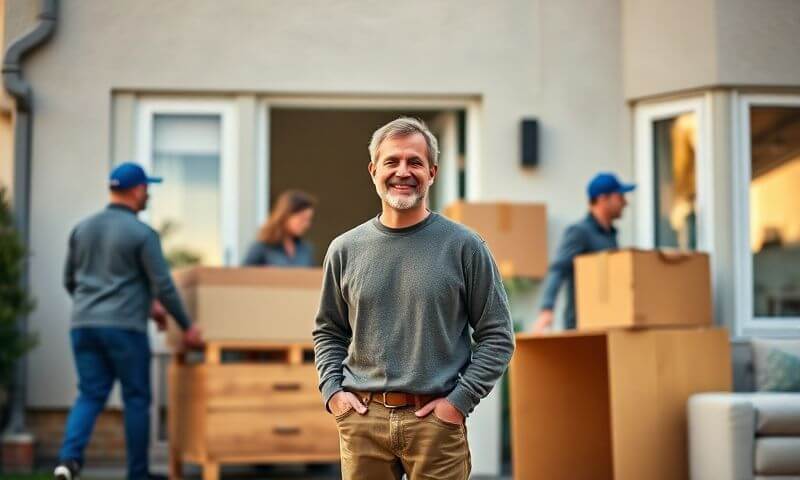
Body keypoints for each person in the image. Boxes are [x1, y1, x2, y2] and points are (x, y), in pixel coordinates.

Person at [312, 117, 515, 480]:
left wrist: (458, 403)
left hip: (436, 425)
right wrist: (333, 393)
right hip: (363, 422)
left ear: (432, 172)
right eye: (392, 161)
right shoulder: (344, 249)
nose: (402, 171)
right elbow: (328, 330)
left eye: (414, 162)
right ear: (374, 170)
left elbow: (498, 335)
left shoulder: (464, 247)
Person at [55, 163, 202, 480]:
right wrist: (187, 325)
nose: (148, 194)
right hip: (124, 329)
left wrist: (93, 306)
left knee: (90, 394)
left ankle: (68, 461)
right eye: (147, 188)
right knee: (136, 398)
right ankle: (138, 474)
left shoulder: (82, 229)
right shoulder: (142, 233)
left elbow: (70, 281)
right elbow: (163, 285)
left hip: (83, 325)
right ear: (137, 190)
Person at [532, 172, 635, 332]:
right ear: (603, 199)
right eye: (620, 197)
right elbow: (558, 270)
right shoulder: (579, 232)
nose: (625, 203)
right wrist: (547, 309)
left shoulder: (611, 234)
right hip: (582, 325)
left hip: (610, 322)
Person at [242, 190, 316, 267]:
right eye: (302, 219)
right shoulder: (262, 247)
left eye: (308, 220)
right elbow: (245, 275)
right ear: (285, 216)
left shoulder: (305, 249)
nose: (307, 224)